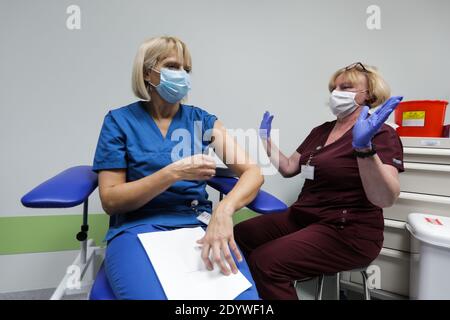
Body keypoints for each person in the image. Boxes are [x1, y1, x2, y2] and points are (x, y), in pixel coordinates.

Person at [92, 36, 263, 299]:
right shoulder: (119, 121)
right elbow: (111, 200)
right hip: (137, 227)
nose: (182, 75)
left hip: (195, 224)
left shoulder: (201, 120)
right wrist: (173, 172)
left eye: (187, 69)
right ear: (148, 72)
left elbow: (253, 172)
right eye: (173, 66)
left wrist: (224, 211)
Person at [234, 62, 404, 300]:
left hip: (347, 230)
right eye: (333, 88)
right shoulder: (321, 131)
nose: (336, 93)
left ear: (369, 94)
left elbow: (385, 198)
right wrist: (266, 140)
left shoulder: (382, 134)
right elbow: (289, 168)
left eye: (345, 87)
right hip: (303, 217)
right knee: (240, 234)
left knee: (266, 263)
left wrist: (364, 148)